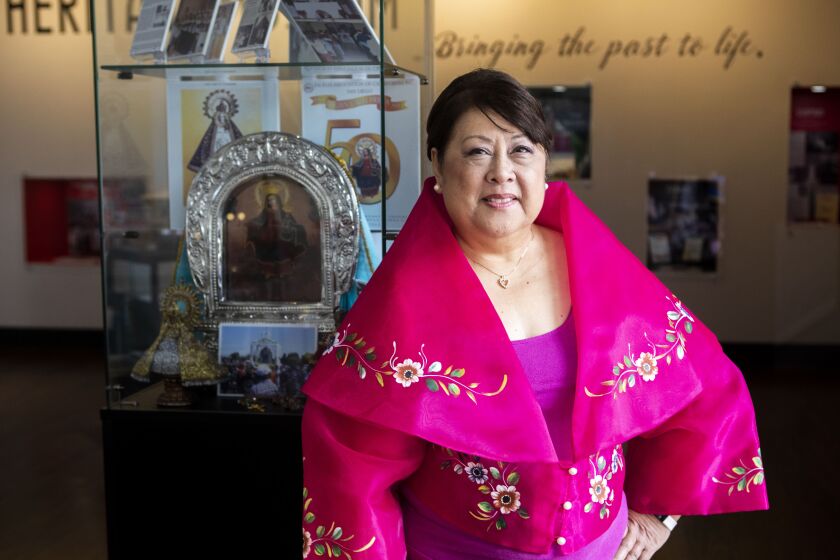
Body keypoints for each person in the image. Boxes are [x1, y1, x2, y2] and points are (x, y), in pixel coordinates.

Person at [300, 69, 768, 559]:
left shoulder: (595, 266)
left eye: (521, 149)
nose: (501, 171)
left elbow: (700, 380)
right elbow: (351, 470)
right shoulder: (402, 298)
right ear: (437, 163)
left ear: (545, 163)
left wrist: (659, 515)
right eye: (478, 151)